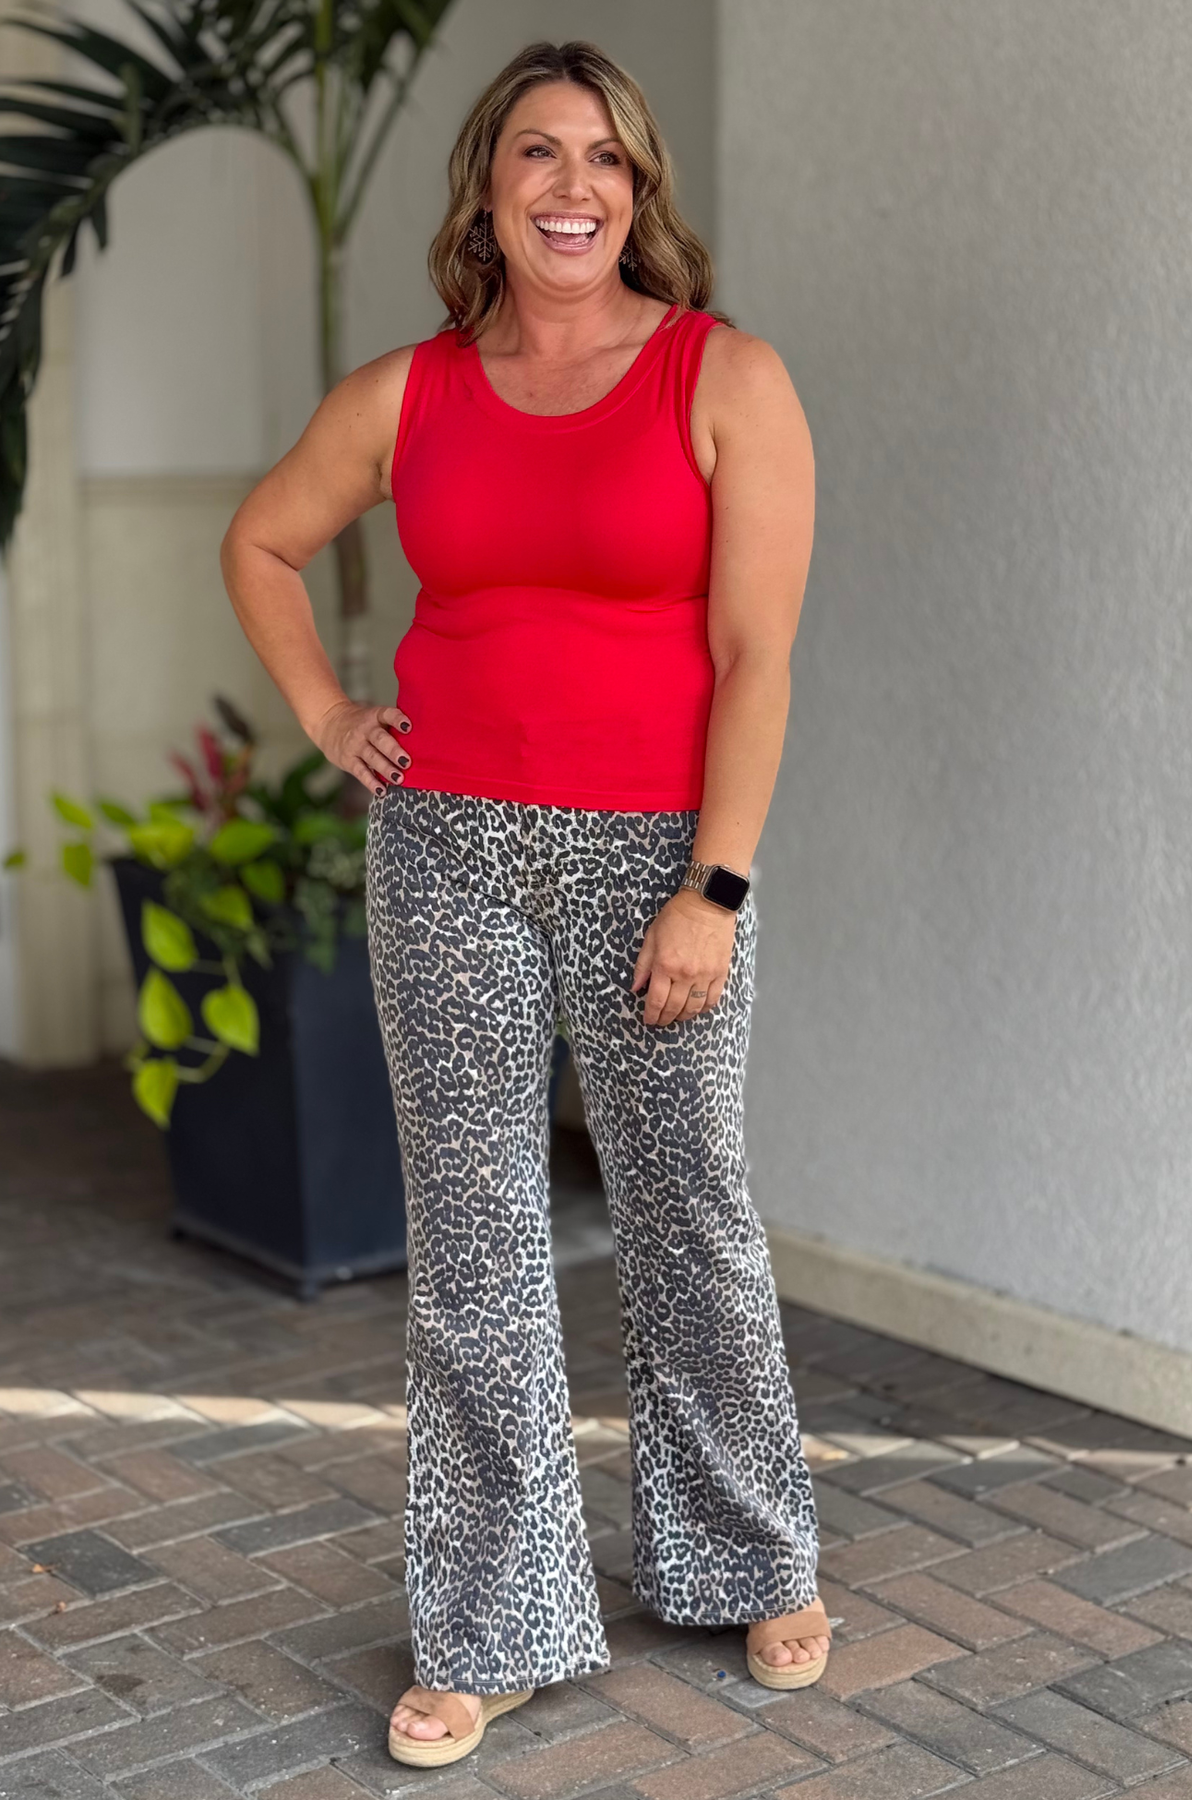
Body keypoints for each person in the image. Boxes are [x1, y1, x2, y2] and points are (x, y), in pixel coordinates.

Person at [220, 37, 828, 1772]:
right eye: (542, 156)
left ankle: (752, 1557)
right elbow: (260, 540)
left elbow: (757, 652)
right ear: (490, 187)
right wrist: (338, 717)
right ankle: (492, 1620)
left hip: (658, 849)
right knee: (476, 1241)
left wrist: (717, 879)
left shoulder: (727, 376)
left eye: (608, 160)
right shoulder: (408, 394)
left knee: (687, 1208)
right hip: (449, 845)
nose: (577, 188)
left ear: (640, 194)